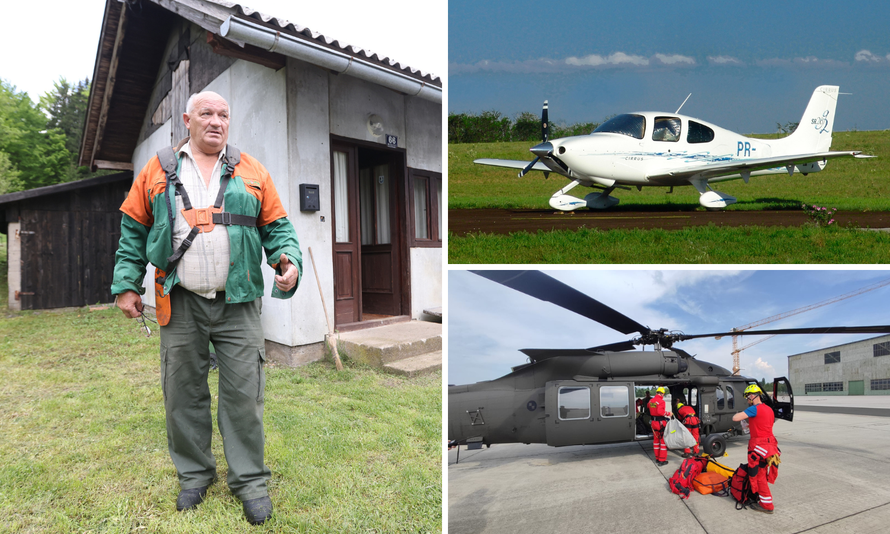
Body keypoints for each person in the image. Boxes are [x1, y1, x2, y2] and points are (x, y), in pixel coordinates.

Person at [111, 91, 301, 525]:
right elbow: (132, 230)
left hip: (239, 302)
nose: (216, 121)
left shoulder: (252, 170)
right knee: (182, 394)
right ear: (187, 119)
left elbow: (278, 229)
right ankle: (194, 476)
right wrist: (126, 285)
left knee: (244, 396)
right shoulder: (158, 169)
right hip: (179, 301)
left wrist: (287, 263)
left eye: (223, 115)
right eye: (206, 114)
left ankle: (250, 482)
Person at [732, 384, 780, 514]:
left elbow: (735, 418)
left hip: (759, 446)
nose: (747, 400)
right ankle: (760, 498)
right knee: (763, 473)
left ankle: (767, 505)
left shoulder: (754, 409)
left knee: (759, 477)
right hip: (770, 446)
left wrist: (743, 414)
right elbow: (764, 423)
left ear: (753, 396)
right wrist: (750, 423)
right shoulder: (769, 409)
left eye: (748, 397)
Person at [648, 387, 672, 466]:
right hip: (660, 423)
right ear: (662, 393)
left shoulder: (651, 401)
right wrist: (669, 414)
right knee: (663, 442)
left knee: (656, 441)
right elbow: (660, 412)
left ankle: (657, 457)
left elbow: (649, 407)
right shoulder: (661, 401)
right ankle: (662, 460)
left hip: (653, 423)